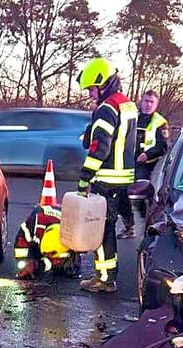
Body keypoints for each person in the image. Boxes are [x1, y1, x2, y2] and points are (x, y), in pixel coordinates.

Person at [75, 57, 138, 294]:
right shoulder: (127, 105)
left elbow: (99, 148)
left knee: (102, 230)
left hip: (107, 179)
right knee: (109, 226)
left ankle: (104, 278)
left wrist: (84, 177)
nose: (91, 94)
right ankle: (107, 275)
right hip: (124, 177)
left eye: (92, 89)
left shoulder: (106, 109)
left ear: (104, 84)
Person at [117, 90, 169, 239]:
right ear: (141, 101)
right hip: (128, 162)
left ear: (156, 104)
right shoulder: (133, 117)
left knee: (145, 197)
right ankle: (129, 226)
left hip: (149, 166)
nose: (148, 105)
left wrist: (148, 155)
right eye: (146, 101)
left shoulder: (160, 122)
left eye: (151, 102)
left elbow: (163, 146)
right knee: (122, 193)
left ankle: (150, 227)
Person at [13, 204, 79, 279]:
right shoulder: (32, 228)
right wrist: (25, 263)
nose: (56, 262)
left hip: (63, 226)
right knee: (33, 266)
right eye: (48, 255)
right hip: (40, 224)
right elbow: (20, 248)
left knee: (68, 269)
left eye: (56, 259)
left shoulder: (74, 234)